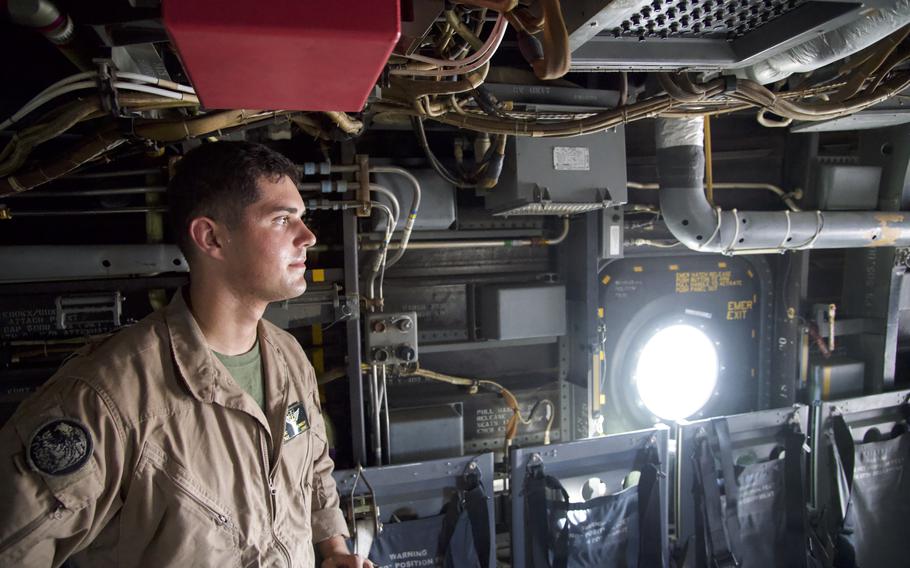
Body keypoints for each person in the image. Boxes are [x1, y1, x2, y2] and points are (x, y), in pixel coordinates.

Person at [0, 141, 371, 567]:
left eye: (301, 219)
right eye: (282, 219)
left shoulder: (288, 356)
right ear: (211, 237)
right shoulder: (105, 397)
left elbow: (313, 469)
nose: (308, 237)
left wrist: (334, 550)